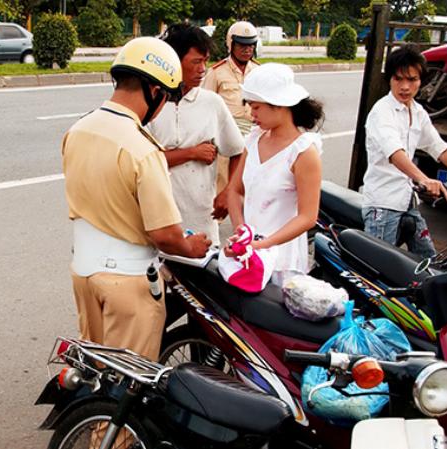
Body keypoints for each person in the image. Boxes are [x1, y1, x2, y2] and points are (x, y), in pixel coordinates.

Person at [62, 37, 211, 360]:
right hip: (127, 281)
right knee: (127, 386)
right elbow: (165, 235)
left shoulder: (78, 130)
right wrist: (191, 246)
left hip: (84, 271)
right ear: (154, 90)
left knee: (96, 371)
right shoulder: (143, 150)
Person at [362, 46, 447, 258]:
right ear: (390, 79)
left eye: (412, 80)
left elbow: (439, 148)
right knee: (379, 267)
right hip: (382, 205)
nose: (405, 87)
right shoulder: (382, 111)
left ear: (421, 80)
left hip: (407, 201)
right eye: (399, 79)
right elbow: (395, 154)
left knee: (429, 261)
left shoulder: (417, 111)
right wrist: (424, 179)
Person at [225, 63, 324, 286]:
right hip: (249, 255)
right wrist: (241, 230)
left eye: (257, 107)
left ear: (280, 105)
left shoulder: (303, 151)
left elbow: (307, 217)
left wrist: (263, 244)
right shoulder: (253, 140)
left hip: (282, 261)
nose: (251, 114)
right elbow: (234, 190)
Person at [147, 23, 244, 245]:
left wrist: (229, 192)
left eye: (205, 61)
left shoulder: (212, 103)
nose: (203, 69)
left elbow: (238, 151)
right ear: (174, 62)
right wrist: (191, 153)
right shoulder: (150, 104)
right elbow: (143, 163)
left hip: (202, 223)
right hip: (158, 224)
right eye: (196, 62)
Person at [202, 20, 260, 135]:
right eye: (242, 45)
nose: (247, 50)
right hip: (228, 130)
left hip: (255, 129)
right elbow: (205, 105)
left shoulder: (259, 71)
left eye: (251, 45)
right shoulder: (216, 72)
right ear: (231, 45)